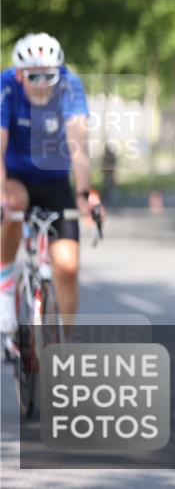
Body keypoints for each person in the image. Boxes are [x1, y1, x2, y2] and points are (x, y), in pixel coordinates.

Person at [1, 33, 102, 336]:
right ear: (20, 75)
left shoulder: (70, 87)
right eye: (35, 76)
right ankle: (5, 283)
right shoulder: (6, 87)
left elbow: (79, 149)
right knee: (14, 203)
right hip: (16, 176)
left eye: (50, 75)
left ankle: (61, 348)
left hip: (56, 180)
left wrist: (85, 197)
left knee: (67, 267)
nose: (44, 83)